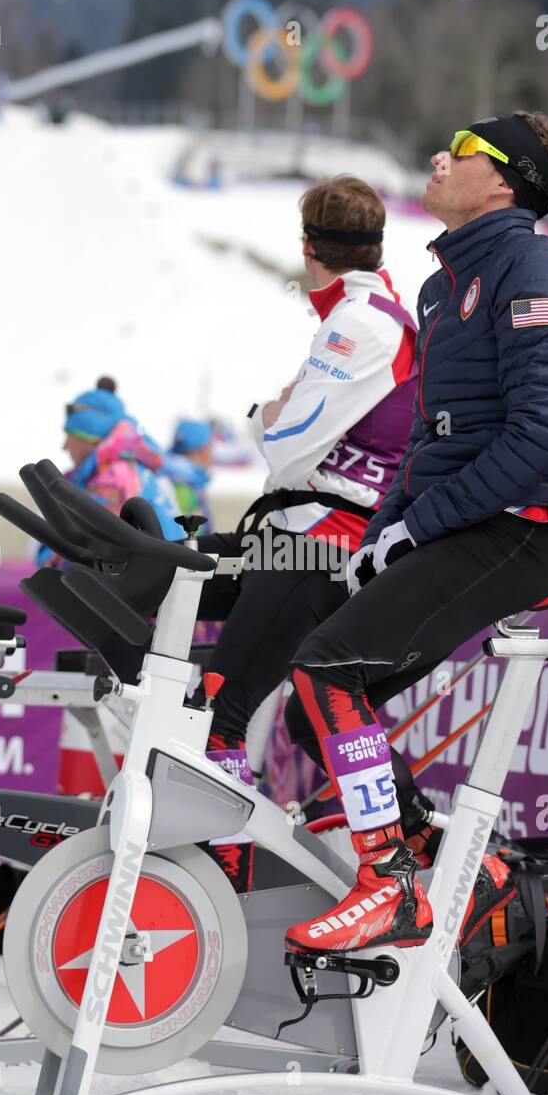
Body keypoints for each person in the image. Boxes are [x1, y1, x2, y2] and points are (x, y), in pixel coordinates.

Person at [282, 112, 548, 956]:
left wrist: (417, 526)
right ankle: (448, 859)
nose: (439, 156)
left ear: (503, 184)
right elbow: (432, 440)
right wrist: (385, 531)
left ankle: (387, 881)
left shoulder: (536, 270)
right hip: (464, 520)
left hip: (523, 528)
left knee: (326, 666)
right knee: (309, 713)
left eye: (464, 150)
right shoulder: (440, 284)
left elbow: (537, 441)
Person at [192, 175, 418, 785]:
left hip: (320, 541)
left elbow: (288, 449)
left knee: (221, 717)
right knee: (159, 587)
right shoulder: (367, 312)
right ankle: (414, 842)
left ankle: (222, 865)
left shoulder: (360, 323)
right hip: (311, 535)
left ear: (307, 248)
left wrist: (264, 416)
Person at [42, 377, 182, 564]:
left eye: (70, 436)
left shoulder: (116, 477)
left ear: (90, 439)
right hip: (158, 577)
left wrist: (48, 564)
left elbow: (86, 551)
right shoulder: (130, 467)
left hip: (147, 583)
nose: (65, 446)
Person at [164, 419, 214, 531]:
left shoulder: (171, 475)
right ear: (203, 449)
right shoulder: (184, 487)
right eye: (211, 445)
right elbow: (189, 539)